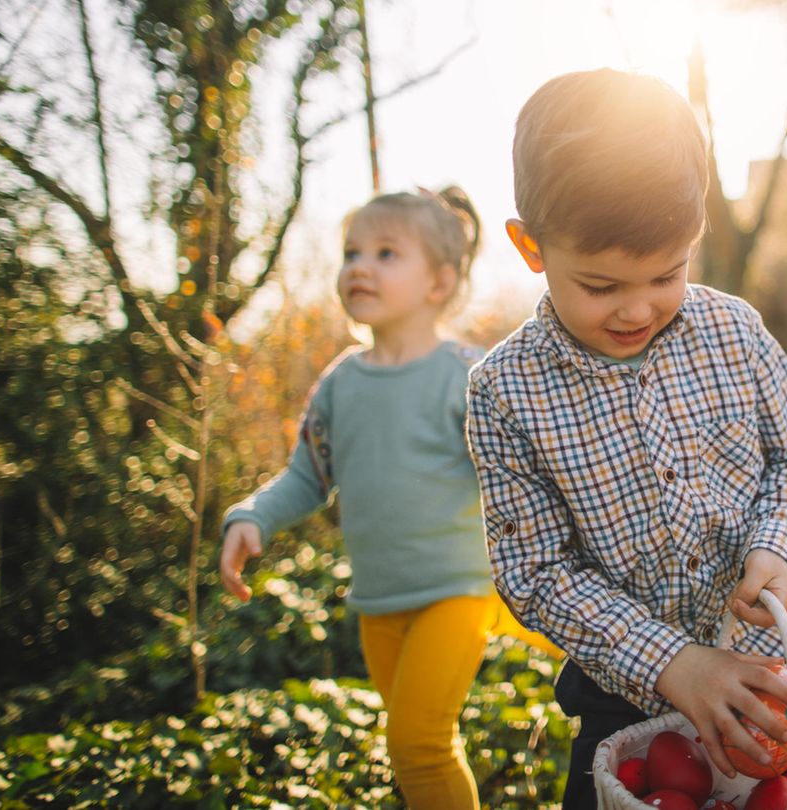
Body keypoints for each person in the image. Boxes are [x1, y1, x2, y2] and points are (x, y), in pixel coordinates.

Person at [465, 69, 787, 809]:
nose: (638, 308)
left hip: (773, 669)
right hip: (625, 696)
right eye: (601, 286)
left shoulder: (733, 332)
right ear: (530, 246)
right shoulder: (505, 392)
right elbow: (534, 569)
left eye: (667, 273)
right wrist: (672, 662)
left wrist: (778, 545)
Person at [217, 188, 559, 810]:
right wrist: (254, 516)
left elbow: (529, 467)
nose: (360, 267)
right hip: (379, 603)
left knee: (418, 744)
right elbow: (308, 476)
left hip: (457, 590)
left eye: (385, 253)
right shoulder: (339, 385)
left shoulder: (466, 374)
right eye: (351, 252)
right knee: (413, 754)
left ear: (438, 282)